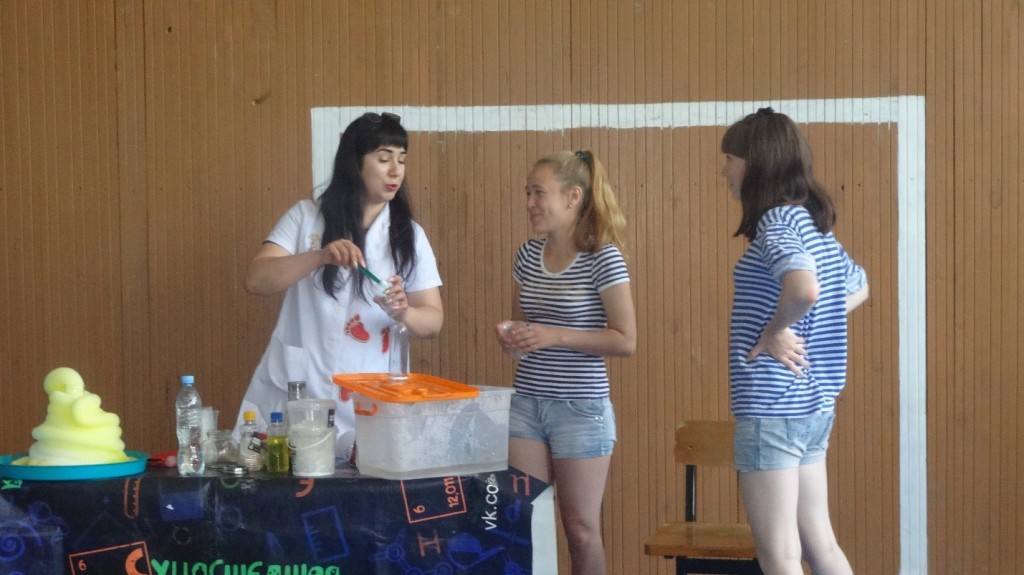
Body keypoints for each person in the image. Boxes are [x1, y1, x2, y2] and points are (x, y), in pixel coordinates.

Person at [234, 112, 444, 459]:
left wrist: (405, 312)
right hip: (296, 395)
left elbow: (434, 321)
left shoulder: (409, 235)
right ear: (354, 163)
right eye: (383, 158)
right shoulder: (306, 217)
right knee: (283, 476)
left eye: (402, 159)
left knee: (362, 478)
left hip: (369, 400)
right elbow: (256, 280)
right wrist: (320, 257)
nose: (396, 170)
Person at [721, 108, 869, 575]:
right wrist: (805, 322)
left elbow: (804, 289)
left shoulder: (778, 224)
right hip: (812, 408)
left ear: (755, 164)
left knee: (780, 553)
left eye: (730, 160)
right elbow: (858, 287)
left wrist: (775, 331)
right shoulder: (813, 226)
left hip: (772, 408)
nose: (725, 171)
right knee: (820, 544)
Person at [495, 150, 636, 575]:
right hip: (527, 405)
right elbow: (523, 330)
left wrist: (554, 335)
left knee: (580, 530)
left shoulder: (603, 258)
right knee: (524, 521)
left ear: (573, 197)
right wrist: (513, 337)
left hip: (581, 410)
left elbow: (625, 340)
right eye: (527, 193)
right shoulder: (526, 255)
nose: (530, 203)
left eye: (539, 193)